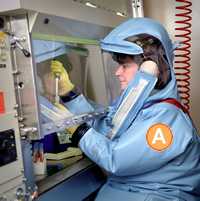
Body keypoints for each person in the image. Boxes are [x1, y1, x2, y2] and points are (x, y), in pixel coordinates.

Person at [49, 18, 200, 201]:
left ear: (151, 67)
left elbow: (116, 159)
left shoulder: (166, 118)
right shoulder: (142, 106)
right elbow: (107, 128)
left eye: (125, 65)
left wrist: (79, 131)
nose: (117, 72)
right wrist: (69, 93)